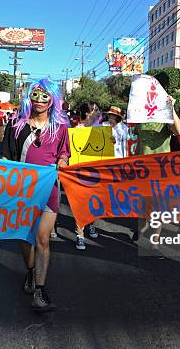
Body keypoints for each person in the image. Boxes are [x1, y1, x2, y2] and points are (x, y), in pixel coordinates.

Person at [1, 78, 70, 312]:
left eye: (45, 96)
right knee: (25, 238)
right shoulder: (16, 125)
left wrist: (61, 162)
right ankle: (30, 272)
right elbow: (6, 157)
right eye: (35, 95)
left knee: (42, 238)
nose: (39, 101)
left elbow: (64, 154)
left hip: (49, 190)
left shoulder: (60, 128)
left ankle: (40, 291)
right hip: (21, 190)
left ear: (53, 100)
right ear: (28, 97)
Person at [133, 72, 180, 246]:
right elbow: (139, 141)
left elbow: (179, 131)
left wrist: (171, 108)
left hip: (161, 168)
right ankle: (143, 225)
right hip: (142, 167)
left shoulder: (164, 115)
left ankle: (155, 238)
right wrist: (132, 162)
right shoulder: (140, 115)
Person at [73, 101, 103, 250]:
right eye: (95, 110)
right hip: (80, 173)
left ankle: (91, 224)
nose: (98, 112)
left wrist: (111, 142)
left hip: (96, 173)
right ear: (87, 114)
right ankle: (80, 234)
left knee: (94, 202)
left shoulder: (101, 130)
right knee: (80, 204)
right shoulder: (77, 130)